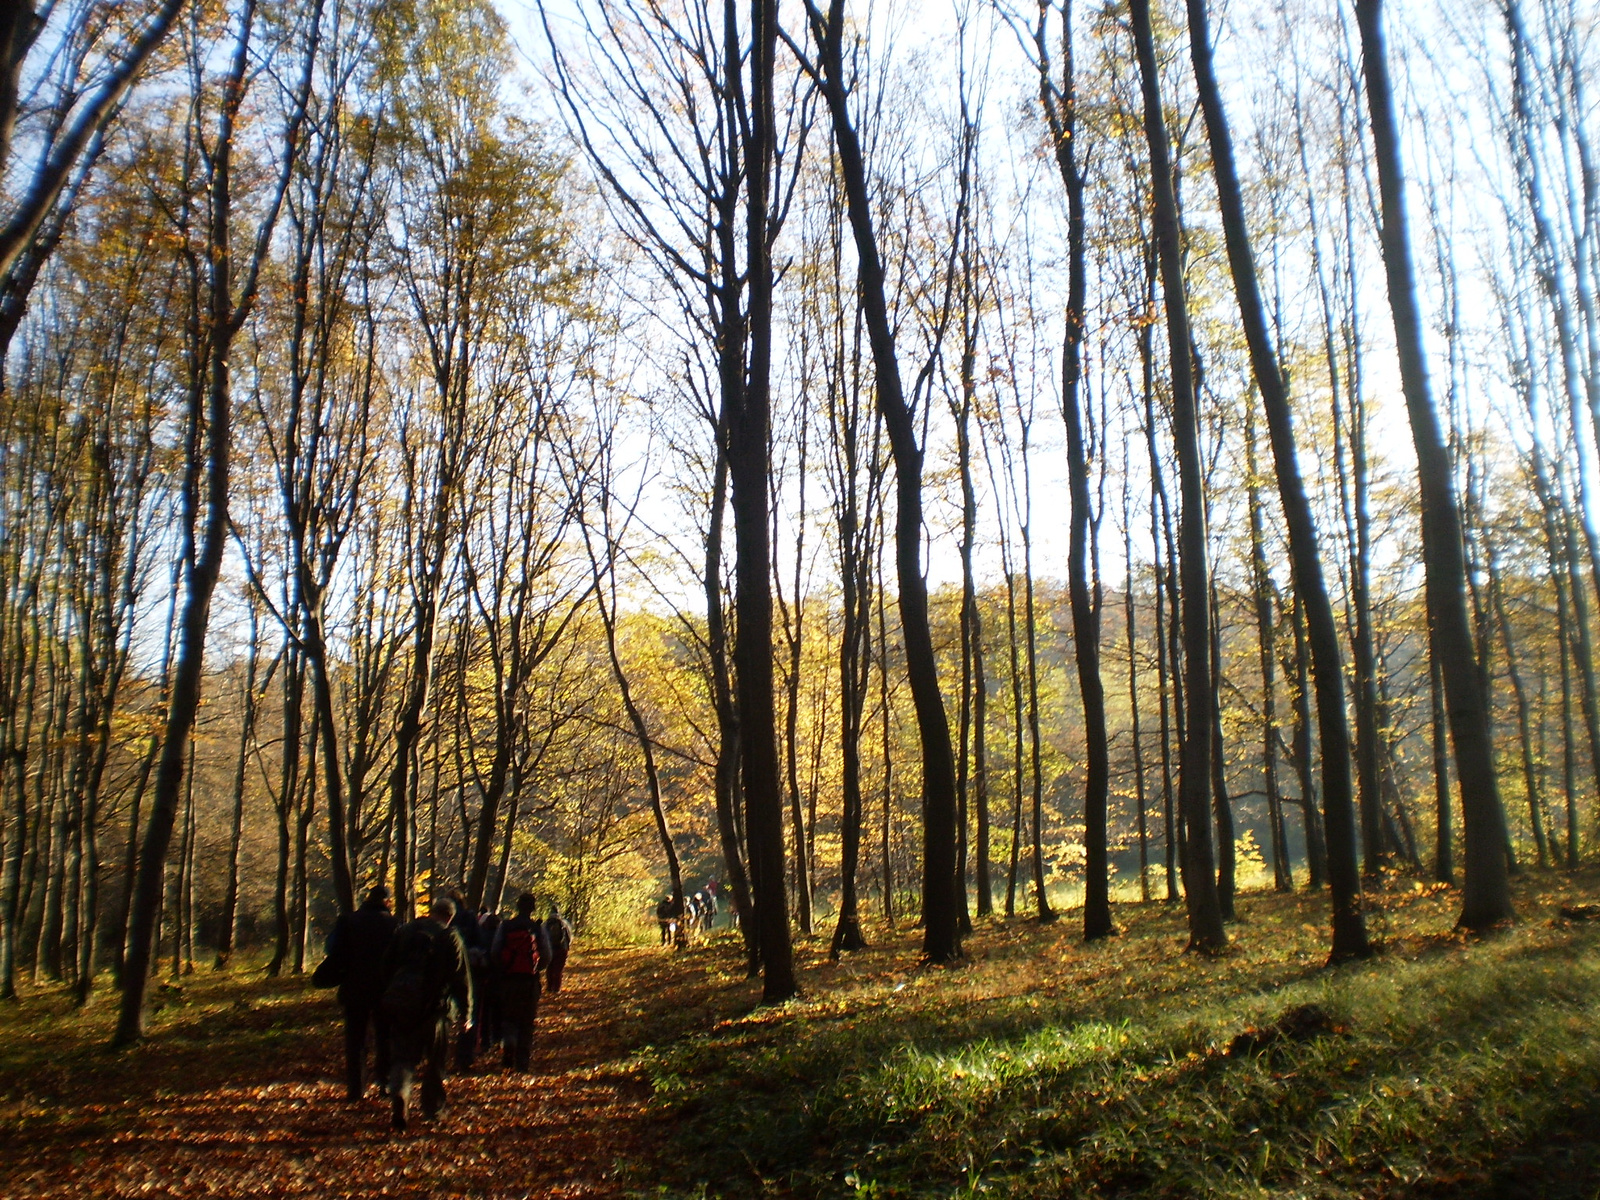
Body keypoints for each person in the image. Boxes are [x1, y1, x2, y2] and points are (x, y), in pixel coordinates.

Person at [381, 895, 473, 1131]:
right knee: (435, 1061)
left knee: (403, 1056)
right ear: (450, 916)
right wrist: (466, 1013)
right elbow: (462, 979)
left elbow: (387, 965)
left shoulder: (406, 931)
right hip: (435, 1009)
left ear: (431, 911)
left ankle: (401, 1092)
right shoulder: (450, 937)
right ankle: (433, 1110)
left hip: (401, 1004)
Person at [325, 884, 399, 1100]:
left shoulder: (348, 920)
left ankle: (356, 1089)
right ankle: (384, 1084)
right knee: (385, 1037)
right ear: (387, 902)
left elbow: (332, 949)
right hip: (385, 989)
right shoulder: (394, 924)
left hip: (354, 987)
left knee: (355, 1039)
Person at [490, 893, 550, 1073]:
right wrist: (537, 968)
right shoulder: (537, 928)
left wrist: (503, 968)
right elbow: (546, 956)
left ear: (517, 906)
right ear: (533, 908)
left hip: (508, 980)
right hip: (530, 982)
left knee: (509, 1017)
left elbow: (495, 952)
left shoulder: (505, 926)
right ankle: (522, 1064)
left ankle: (509, 1045)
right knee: (527, 1021)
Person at [543, 903, 573, 994]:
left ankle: (549, 987)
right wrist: (567, 946)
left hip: (550, 948)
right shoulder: (564, 923)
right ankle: (556, 988)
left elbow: (543, 936)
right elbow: (569, 936)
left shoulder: (546, 923)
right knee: (558, 969)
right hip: (562, 948)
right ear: (559, 912)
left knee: (550, 968)